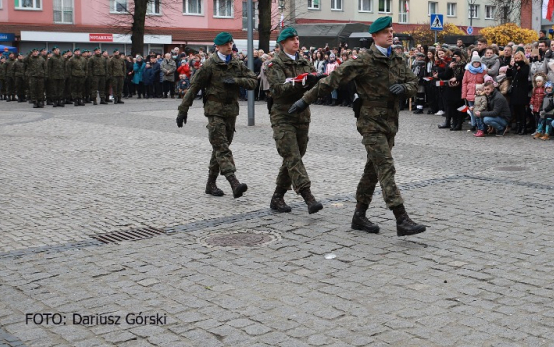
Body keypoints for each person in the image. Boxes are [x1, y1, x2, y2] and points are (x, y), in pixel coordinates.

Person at [289, 16, 426, 236]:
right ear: (374, 36)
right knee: (385, 167)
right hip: (370, 122)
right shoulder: (363, 60)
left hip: (391, 122)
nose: (391, 34)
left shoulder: (397, 60)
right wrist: (304, 100)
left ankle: (359, 216)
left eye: (391, 31)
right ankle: (401, 218)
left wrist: (405, 88)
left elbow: (413, 82)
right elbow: (331, 80)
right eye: (385, 32)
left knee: (372, 171)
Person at [176, 32, 258, 198]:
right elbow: (194, 87)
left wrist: (237, 81)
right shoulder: (209, 65)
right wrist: (183, 110)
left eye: (231, 43)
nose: (230, 47)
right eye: (226, 44)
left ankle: (210, 183)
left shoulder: (236, 64)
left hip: (231, 111)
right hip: (214, 111)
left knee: (219, 148)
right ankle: (233, 181)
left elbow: (253, 81)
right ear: (218, 46)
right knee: (222, 147)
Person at [264, 27, 324, 214]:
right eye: (291, 39)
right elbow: (277, 90)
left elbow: (316, 85)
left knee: (294, 157)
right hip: (282, 116)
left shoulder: (305, 62)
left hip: (302, 115)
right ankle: (308, 196)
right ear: (283, 44)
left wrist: (315, 82)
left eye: (297, 38)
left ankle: (277, 197)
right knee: (292, 156)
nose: (296, 42)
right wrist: (299, 83)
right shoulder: (274, 65)